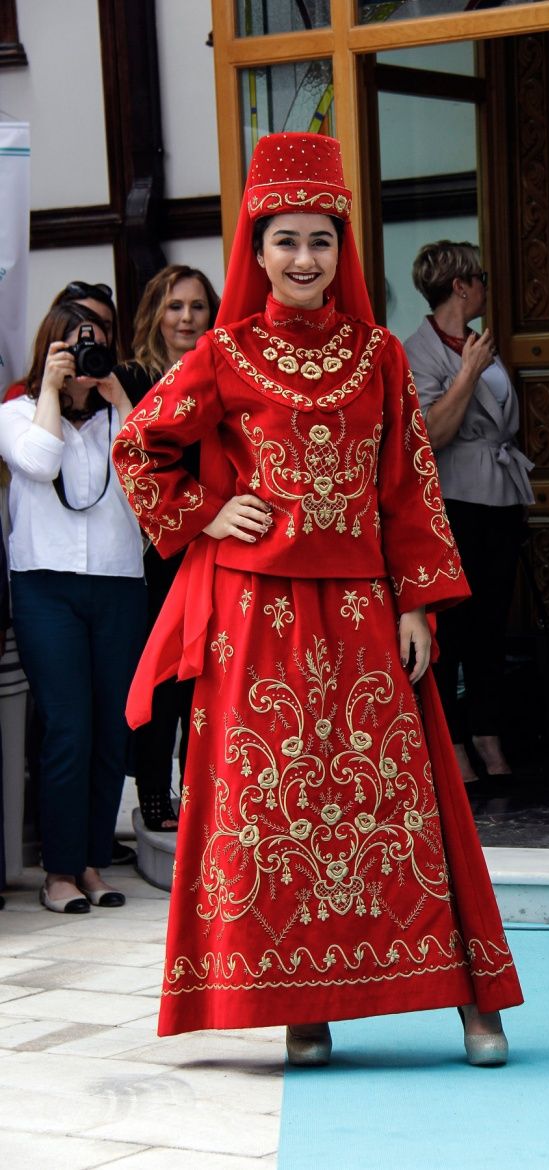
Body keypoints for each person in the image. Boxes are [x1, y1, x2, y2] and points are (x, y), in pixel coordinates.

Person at [113, 132, 521, 1066]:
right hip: (258, 620)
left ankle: (470, 1001)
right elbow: (138, 446)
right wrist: (208, 514)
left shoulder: (378, 355)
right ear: (256, 251)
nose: (305, 259)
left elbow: (408, 485)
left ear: (343, 249)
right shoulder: (222, 354)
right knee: (276, 810)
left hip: (366, 614)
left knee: (403, 805)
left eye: (322, 240)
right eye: (286, 241)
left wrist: (419, 605)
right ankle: (305, 1008)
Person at [0, 302, 146, 912]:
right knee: (68, 727)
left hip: (117, 583)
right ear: (50, 349)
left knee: (112, 728)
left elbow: (157, 472)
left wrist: (117, 394)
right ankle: (59, 872)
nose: (86, 355)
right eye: (74, 345)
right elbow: (39, 461)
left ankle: (91, 863)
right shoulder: (16, 413)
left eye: (97, 343)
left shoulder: (123, 415)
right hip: (45, 586)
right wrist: (54, 390)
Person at [403, 241, 534, 783]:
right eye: (479, 277)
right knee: (452, 630)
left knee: (491, 628)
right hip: (453, 501)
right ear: (460, 286)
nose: (485, 284)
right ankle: (452, 741)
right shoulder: (417, 349)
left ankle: (487, 732)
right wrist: (468, 372)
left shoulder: (478, 340)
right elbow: (430, 433)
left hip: (500, 496)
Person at [114, 265, 220, 831]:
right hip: (155, 549)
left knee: (201, 679)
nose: (186, 317)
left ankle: (198, 791)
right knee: (162, 677)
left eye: (198, 306)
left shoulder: (223, 372)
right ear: (156, 312)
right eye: (175, 306)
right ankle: (154, 795)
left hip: (217, 542)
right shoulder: (132, 377)